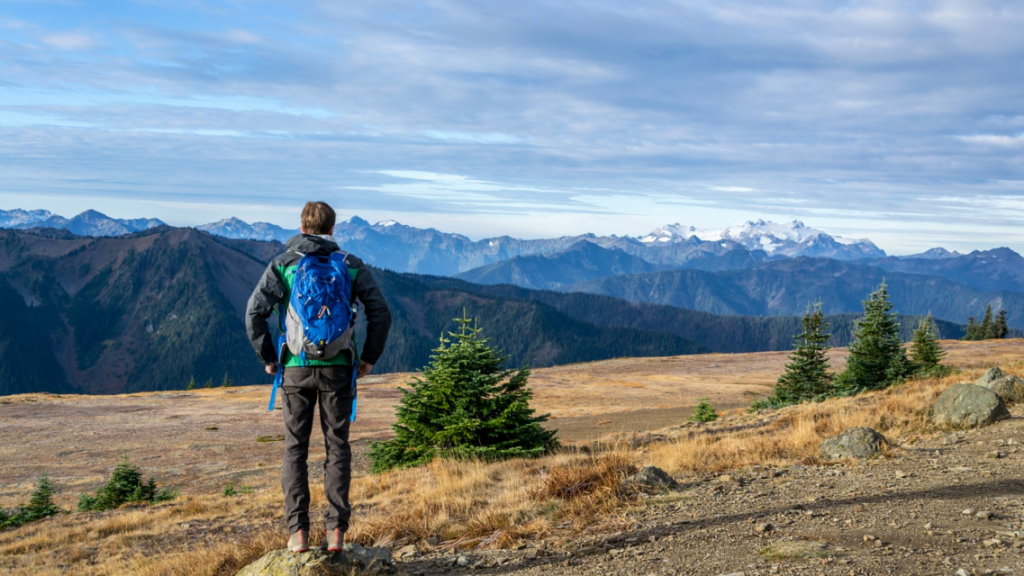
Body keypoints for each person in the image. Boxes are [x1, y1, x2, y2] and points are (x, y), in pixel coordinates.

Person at [245, 201, 391, 553]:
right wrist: (369, 359)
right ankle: (336, 533)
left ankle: (298, 535)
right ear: (331, 229)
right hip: (339, 368)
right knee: (337, 448)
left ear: (301, 225)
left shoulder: (284, 264)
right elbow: (380, 313)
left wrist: (269, 358)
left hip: (295, 369)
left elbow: (254, 314)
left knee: (295, 449)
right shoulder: (350, 266)